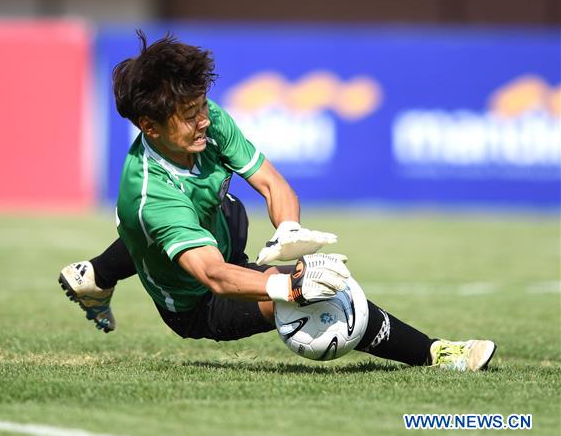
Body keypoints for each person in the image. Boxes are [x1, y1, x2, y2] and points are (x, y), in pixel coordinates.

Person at [58, 31, 495, 371]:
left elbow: (273, 184)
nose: (204, 120)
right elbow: (214, 276)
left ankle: (96, 274)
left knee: (227, 211)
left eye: (203, 106)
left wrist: (289, 230)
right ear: (150, 127)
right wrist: (289, 285)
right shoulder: (153, 198)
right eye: (190, 116)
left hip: (214, 227)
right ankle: (440, 354)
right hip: (198, 303)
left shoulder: (209, 123)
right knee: (323, 294)